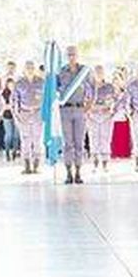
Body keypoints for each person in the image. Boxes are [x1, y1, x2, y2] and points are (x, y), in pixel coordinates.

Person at [55, 45, 92, 184]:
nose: (71, 57)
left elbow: (92, 87)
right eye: (69, 54)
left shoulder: (84, 71)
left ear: (77, 55)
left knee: (79, 142)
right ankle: (68, 172)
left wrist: (90, 103)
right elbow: (55, 90)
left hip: (79, 109)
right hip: (65, 110)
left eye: (74, 54)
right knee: (68, 143)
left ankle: (78, 172)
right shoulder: (60, 72)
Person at [13, 60, 43, 175]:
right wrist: (17, 114)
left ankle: (36, 165)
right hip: (24, 114)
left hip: (37, 113)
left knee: (37, 140)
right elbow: (15, 100)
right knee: (25, 141)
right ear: (24, 69)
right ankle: (26, 166)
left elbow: (46, 99)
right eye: (28, 67)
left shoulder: (41, 82)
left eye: (32, 67)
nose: (30, 69)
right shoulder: (19, 83)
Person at [89, 66, 118, 172]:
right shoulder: (89, 87)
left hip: (106, 116)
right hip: (93, 116)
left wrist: (112, 111)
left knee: (105, 139)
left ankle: (105, 163)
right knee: (94, 139)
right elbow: (84, 101)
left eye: (101, 72)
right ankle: (95, 163)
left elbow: (116, 100)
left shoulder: (109, 87)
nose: (99, 74)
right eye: (97, 72)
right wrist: (87, 113)